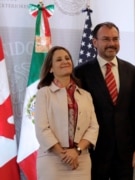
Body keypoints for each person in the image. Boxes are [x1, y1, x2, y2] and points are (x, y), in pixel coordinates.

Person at [74, 22, 135, 180]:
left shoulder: (131, 70)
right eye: (106, 39)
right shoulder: (81, 72)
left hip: (124, 152)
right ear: (94, 42)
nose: (112, 44)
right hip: (94, 151)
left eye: (115, 39)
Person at [34, 46, 99, 180]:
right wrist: (64, 154)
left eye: (67, 58)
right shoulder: (44, 93)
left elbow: (94, 127)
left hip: (81, 160)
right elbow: (42, 129)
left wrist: (76, 151)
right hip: (52, 160)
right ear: (50, 68)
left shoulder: (85, 95)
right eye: (59, 59)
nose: (65, 61)